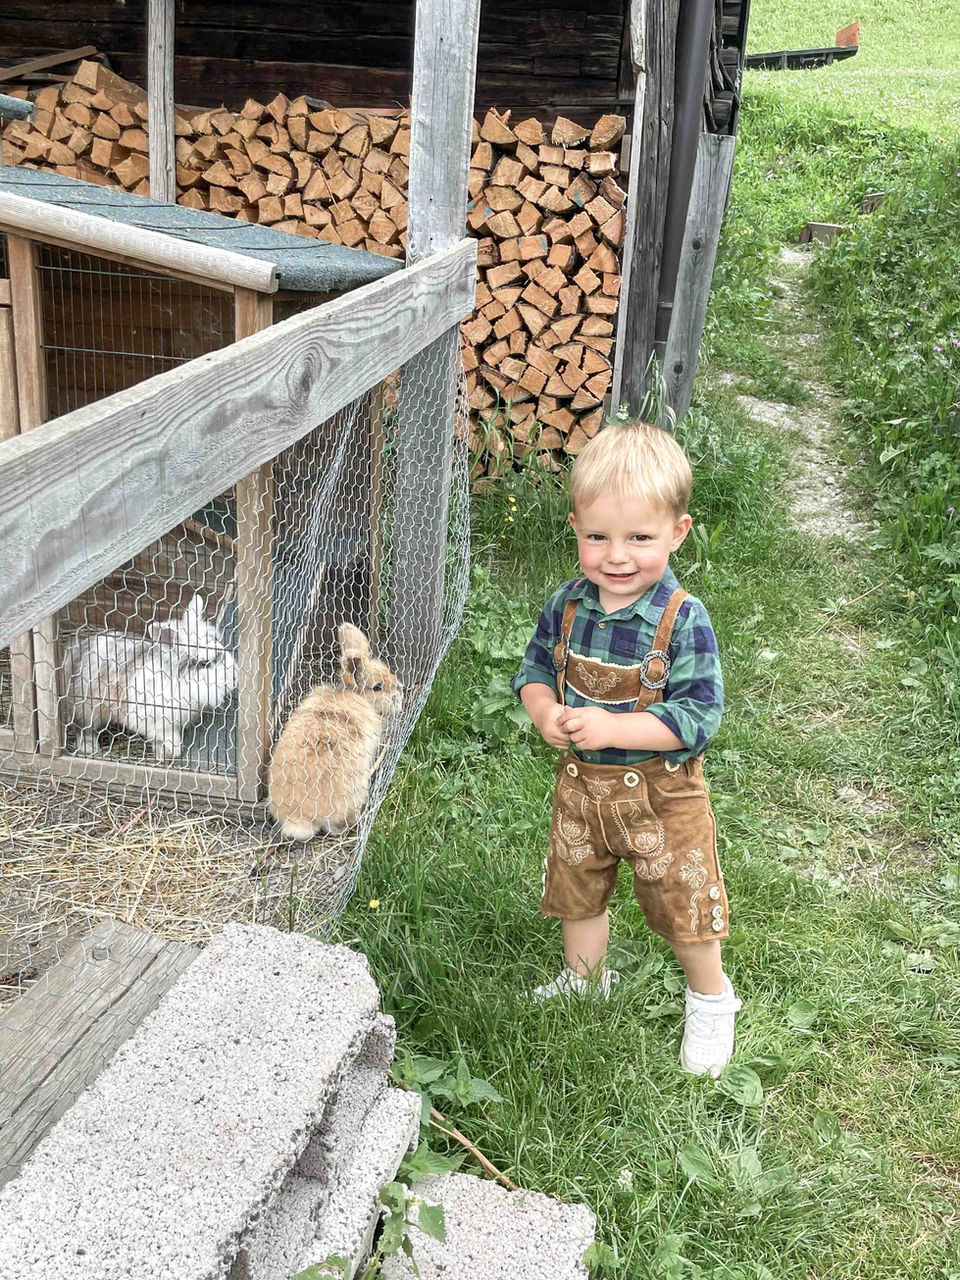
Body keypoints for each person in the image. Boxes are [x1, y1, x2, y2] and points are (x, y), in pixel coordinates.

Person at [511, 419, 741, 1076]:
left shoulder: (682, 619)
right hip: (583, 790)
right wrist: (545, 710)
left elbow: (697, 716)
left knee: (684, 904)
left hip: (662, 797)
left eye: (639, 537)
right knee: (576, 893)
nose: (617, 554)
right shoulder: (567, 604)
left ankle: (711, 999)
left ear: (678, 531)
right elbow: (530, 668)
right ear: (577, 529)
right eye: (597, 537)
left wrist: (613, 729)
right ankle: (585, 981)